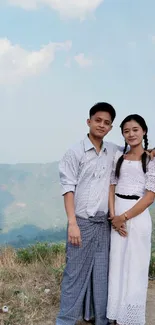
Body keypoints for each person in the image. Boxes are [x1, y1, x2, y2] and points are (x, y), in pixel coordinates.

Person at [56, 102, 118, 325]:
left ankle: (98, 317)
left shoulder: (112, 150)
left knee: (101, 274)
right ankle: (65, 320)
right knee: (74, 273)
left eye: (107, 123)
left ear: (111, 127)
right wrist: (72, 222)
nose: (102, 125)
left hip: (104, 224)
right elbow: (68, 188)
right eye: (98, 120)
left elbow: (133, 152)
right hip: (81, 222)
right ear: (89, 121)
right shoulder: (75, 152)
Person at [107, 114, 155, 325]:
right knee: (116, 263)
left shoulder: (151, 160)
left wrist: (124, 217)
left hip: (137, 215)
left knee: (135, 266)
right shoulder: (119, 157)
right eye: (126, 131)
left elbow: (150, 195)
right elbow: (111, 187)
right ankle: (116, 315)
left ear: (144, 131)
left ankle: (131, 317)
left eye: (135, 129)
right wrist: (113, 217)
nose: (131, 134)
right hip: (116, 214)